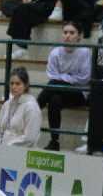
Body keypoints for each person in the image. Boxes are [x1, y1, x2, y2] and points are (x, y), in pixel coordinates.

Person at [37, 22, 92, 150]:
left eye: (72, 33)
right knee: (54, 100)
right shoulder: (55, 52)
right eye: (65, 32)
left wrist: (62, 78)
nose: (68, 36)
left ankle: (33, 108)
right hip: (60, 91)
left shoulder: (85, 52)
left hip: (79, 94)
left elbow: (84, 78)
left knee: (54, 84)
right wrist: (68, 79)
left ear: (79, 36)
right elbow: (51, 74)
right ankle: (54, 141)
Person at [0, 67, 42, 147]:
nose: (13, 87)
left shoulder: (31, 107)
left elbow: (30, 138)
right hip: (1, 150)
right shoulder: (7, 104)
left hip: (21, 152)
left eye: (18, 84)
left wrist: (7, 147)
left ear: (26, 85)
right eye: (11, 83)